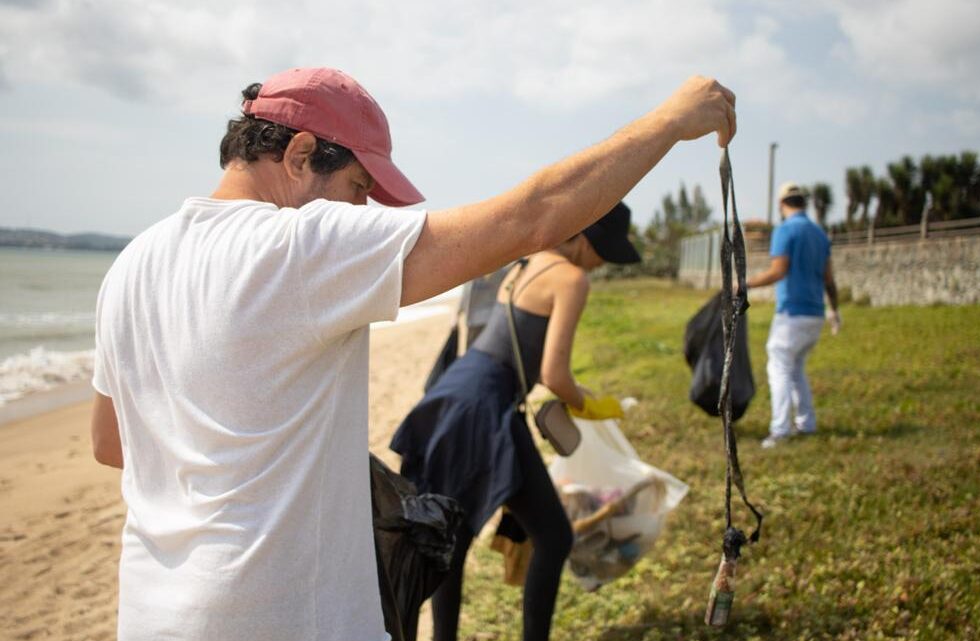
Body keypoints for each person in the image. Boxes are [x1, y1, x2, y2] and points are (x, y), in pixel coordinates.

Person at [89, 66, 735, 641]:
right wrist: (669, 121)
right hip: (279, 614)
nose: (362, 209)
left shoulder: (130, 266)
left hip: (151, 611)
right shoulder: (301, 244)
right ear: (300, 153)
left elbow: (113, 443)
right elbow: (532, 216)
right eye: (358, 185)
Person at [391, 202, 639, 641]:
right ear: (585, 238)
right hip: (483, 407)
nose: (603, 263)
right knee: (551, 536)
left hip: (460, 392)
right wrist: (590, 404)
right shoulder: (571, 278)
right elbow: (554, 375)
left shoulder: (531, 260)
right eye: (605, 251)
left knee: (454, 534)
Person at [746, 182, 840, 449]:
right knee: (796, 368)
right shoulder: (820, 234)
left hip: (792, 313)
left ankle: (780, 430)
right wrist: (834, 309)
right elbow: (829, 279)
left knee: (779, 368)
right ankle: (806, 423)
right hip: (815, 314)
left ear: (781, 204)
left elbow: (778, 271)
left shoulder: (785, 230)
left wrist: (745, 284)